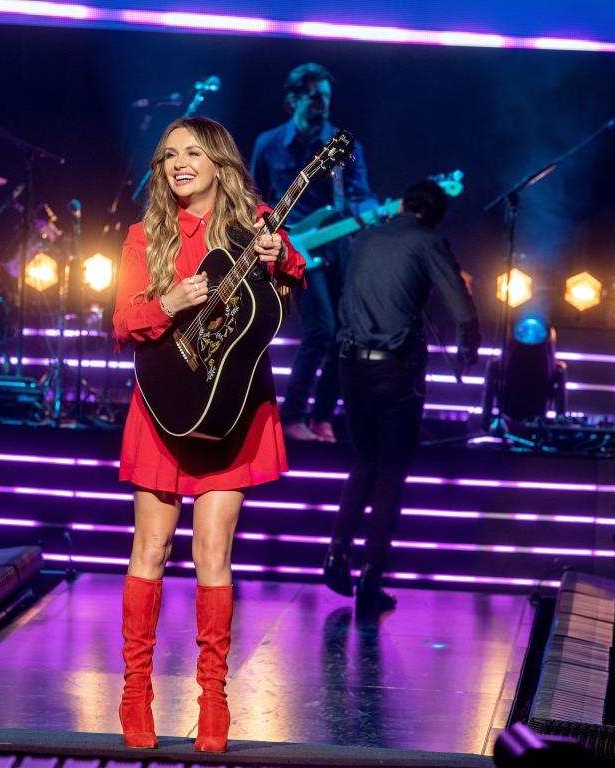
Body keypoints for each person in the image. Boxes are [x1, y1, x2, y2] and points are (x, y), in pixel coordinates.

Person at [112, 117, 305, 752]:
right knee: (152, 549)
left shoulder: (256, 223)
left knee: (213, 556)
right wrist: (167, 302)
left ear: (220, 161)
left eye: (193, 152)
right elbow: (123, 319)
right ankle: (136, 690)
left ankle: (213, 697)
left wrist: (283, 258)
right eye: (170, 155)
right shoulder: (147, 235)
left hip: (234, 408)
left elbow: (293, 277)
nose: (179, 164)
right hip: (164, 407)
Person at [323, 179, 480, 616]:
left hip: (349, 363)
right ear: (433, 215)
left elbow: (346, 298)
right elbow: (462, 308)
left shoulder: (366, 238)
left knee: (363, 461)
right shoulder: (429, 242)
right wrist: (468, 352)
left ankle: (336, 553)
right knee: (391, 470)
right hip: (395, 369)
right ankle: (372, 577)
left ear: (404, 204)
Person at [250, 63, 378, 442]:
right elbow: (252, 196)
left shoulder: (344, 146)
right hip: (293, 248)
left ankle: (322, 417)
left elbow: (359, 191)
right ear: (292, 99)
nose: (323, 103)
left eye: (326, 96)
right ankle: (292, 416)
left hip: (339, 247)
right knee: (320, 329)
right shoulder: (268, 144)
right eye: (315, 96)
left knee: (347, 335)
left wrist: (369, 210)